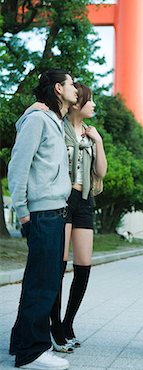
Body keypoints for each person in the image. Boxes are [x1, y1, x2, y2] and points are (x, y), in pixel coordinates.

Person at [8, 69, 78, 369]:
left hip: (53, 210)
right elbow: (18, 166)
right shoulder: (37, 119)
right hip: (42, 212)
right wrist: (22, 211)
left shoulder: (53, 121)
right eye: (72, 84)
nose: (77, 89)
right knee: (43, 283)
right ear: (58, 89)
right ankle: (32, 352)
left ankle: (21, 344)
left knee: (42, 280)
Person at [33, 83, 107, 352]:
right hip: (62, 200)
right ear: (78, 104)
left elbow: (101, 171)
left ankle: (67, 322)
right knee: (58, 265)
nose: (94, 105)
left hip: (85, 201)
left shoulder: (91, 134)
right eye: (90, 101)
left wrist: (98, 141)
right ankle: (53, 327)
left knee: (84, 265)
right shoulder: (57, 127)